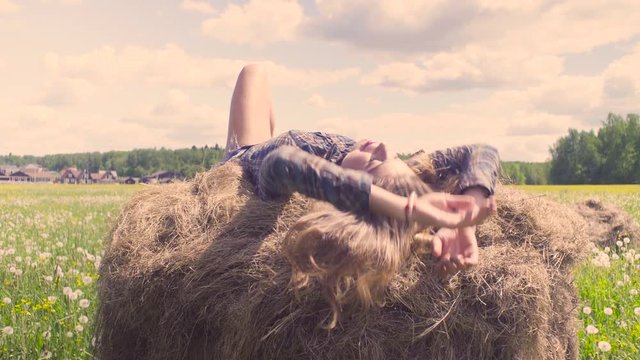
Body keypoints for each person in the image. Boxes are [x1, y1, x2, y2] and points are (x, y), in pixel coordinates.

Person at [216, 65, 499, 325]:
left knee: (253, 73)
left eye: (373, 164)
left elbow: (280, 161)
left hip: (246, 153)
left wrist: (402, 209)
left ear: (353, 193)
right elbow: (481, 151)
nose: (384, 148)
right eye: (395, 157)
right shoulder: (393, 173)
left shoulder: (302, 178)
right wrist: (465, 217)